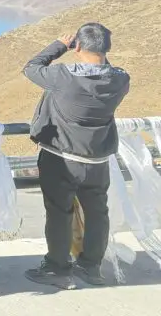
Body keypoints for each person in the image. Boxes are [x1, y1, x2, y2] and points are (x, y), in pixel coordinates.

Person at [23, 23, 130, 290]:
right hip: (97, 161)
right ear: (108, 48)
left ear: (78, 47)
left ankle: (57, 269)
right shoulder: (120, 79)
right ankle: (91, 267)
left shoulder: (63, 76)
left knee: (59, 212)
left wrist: (60, 44)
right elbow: (106, 68)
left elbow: (32, 67)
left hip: (61, 158)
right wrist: (99, 52)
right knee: (97, 213)